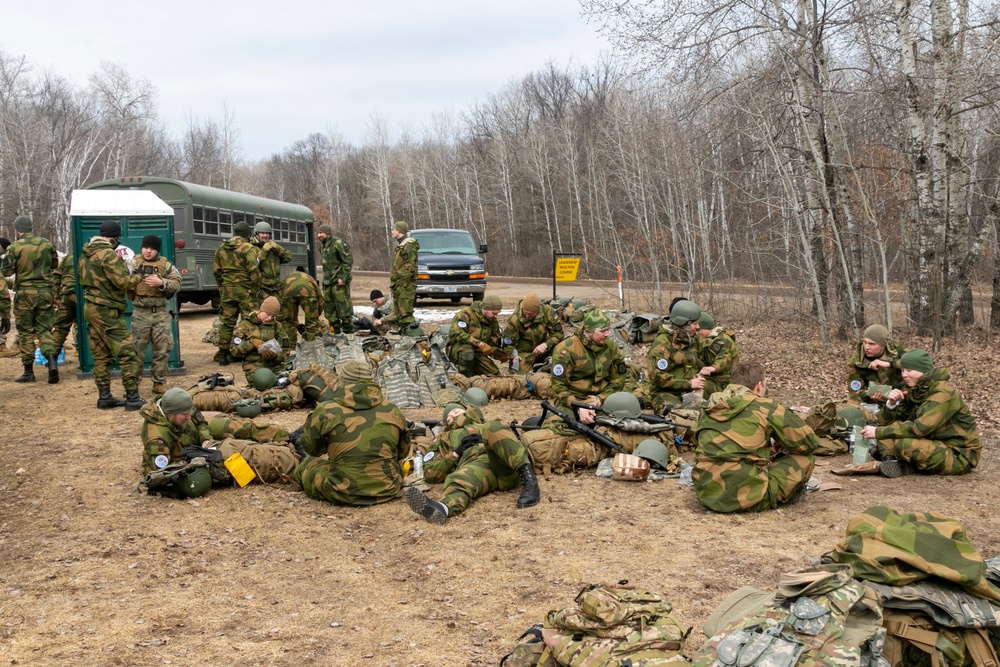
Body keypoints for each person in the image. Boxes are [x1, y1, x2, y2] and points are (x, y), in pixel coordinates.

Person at [693, 361, 819, 513]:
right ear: (759, 386)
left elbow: (703, 442)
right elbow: (809, 443)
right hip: (748, 498)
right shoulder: (766, 407)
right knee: (806, 458)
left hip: (708, 494)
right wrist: (781, 442)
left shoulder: (709, 406)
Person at [292, 359, 410, 506]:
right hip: (388, 488)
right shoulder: (392, 410)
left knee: (308, 464)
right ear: (371, 380)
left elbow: (313, 450)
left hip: (340, 491)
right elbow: (403, 452)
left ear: (343, 380)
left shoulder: (326, 409)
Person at [404, 404, 539, 524]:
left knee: (494, 425)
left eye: (456, 411)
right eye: (449, 416)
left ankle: (530, 482)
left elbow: (515, 445)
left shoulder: (486, 425)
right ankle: (443, 508)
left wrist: (488, 440)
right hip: (477, 467)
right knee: (462, 478)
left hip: (505, 463)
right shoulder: (440, 440)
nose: (453, 414)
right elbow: (430, 473)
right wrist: (456, 453)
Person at [861, 349, 980, 477]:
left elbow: (920, 428)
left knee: (903, 444)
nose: (904, 375)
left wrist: (878, 432)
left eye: (909, 370)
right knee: (886, 438)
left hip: (958, 454)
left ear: (923, 371)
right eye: (902, 370)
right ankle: (894, 461)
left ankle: (901, 462)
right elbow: (891, 422)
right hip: (933, 442)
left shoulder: (942, 392)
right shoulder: (916, 390)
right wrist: (891, 404)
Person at [78, 220, 148, 409]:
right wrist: (139, 275)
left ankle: (105, 397)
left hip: (91, 308)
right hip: (106, 310)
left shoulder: (86, 254)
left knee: (101, 354)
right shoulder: (107, 254)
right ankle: (132, 397)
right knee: (128, 352)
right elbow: (123, 282)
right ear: (116, 236)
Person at [0, 215, 58, 383]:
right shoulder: (47, 244)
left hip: (25, 293)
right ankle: (52, 360)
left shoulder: (15, 247)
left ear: (18, 230)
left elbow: (6, 272)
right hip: (45, 293)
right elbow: (54, 265)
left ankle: (28, 371)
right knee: (44, 329)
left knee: (26, 332)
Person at [549, 308, 628, 423]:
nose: (607, 334)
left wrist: (599, 399)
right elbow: (558, 386)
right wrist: (579, 406)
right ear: (590, 331)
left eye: (608, 330)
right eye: (602, 331)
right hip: (573, 400)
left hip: (602, 398)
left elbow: (619, 379)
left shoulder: (610, 347)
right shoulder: (566, 349)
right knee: (565, 425)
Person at [129, 235, 181, 395]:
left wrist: (162, 283)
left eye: (152, 248)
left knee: (162, 350)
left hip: (160, 314)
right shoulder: (132, 263)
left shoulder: (165, 265)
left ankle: (159, 383)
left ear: (157, 250)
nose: (148, 251)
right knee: (136, 350)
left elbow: (178, 283)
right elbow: (121, 281)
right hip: (140, 313)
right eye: (145, 248)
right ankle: (132, 385)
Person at [643, 299, 704, 413]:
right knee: (678, 416)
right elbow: (657, 377)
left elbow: (702, 361)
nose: (698, 327)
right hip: (667, 392)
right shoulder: (663, 344)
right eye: (695, 323)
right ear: (684, 324)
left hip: (691, 390)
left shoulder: (694, 340)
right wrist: (688, 383)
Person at [212, 220, 260, 366]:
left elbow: (216, 271)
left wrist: (222, 287)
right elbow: (254, 270)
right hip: (245, 290)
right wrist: (254, 288)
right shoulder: (248, 248)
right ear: (248, 234)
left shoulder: (222, 248)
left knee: (226, 322)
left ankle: (223, 354)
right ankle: (248, 351)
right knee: (250, 320)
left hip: (227, 289)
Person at [229, 296, 291, 384]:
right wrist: (251, 343)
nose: (269, 318)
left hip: (275, 366)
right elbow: (233, 351)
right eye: (268, 314)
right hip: (253, 366)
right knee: (263, 383)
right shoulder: (245, 325)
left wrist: (276, 356)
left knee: (283, 383)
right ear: (261, 310)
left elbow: (286, 352)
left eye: (273, 316)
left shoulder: (277, 327)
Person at [502, 292, 564, 374]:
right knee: (520, 379)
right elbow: (507, 344)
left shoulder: (548, 312)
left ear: (537, 311)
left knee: (563, 356)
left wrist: (546, 344)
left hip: (545, 350)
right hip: (524, 354)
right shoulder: (515, 320)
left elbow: (559, 334)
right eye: (525, 313)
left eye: (530, 314)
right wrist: (514, 356)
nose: (527, 316)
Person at [445, 294, 506, 376]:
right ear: (485, 309)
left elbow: (492, 343)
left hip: (478, 352)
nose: (495, 316)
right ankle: (466, 377)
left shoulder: (492, 321)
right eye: (494, 313)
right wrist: (479, 344)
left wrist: (499, 354)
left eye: (497, 313)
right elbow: (456, 334)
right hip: (458, 349)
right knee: (467, 351)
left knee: (495, 375)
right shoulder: (465, 314)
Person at [846, 324, 906, 403]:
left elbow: (919, 366)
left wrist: (890, 364)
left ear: (883, 345)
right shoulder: (857, 361)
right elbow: (854, 393)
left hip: (900, 399)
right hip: (872, 404)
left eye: (872, 344)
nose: (866, 347)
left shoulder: (898, 352)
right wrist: (868, 395)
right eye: (864, 342)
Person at [316, 224, 353, 334]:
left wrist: (343, 278)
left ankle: (348, 332)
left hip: (339, 282)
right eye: (318, 233)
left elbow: (348, 261)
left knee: (344, 308)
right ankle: (335, 331)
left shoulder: (338, 243)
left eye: (321, 233)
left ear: (327, 233)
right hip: (328, 282)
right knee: (329, 309)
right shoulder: (322, 246)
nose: (319, 235)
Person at [278, 267, 324, 348]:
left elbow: (280, 296)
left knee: (290, 323)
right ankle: (311, 345)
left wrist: (284, 315)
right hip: (306, 292)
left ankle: (290, 347)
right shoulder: (309, 278)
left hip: (287, 292)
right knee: (311, 323)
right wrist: (316, 315)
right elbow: (320, 299)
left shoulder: (287, 277)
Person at [696, 311, 739, 396]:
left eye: (698, 330)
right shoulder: (705, 338)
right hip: (712, 377)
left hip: (724, 380)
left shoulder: (721, 340)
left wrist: (713, 368)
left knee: (699, 387)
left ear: (707, 328)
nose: (696, 332)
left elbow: (723, 358)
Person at [390, 220, 419, 332]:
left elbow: (410, 266)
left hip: (405, 286)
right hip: (399, 285)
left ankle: (413, 337)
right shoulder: (401, 245)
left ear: (399, 231)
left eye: (394, 230)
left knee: (406, 315)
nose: (392, 232)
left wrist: (403, 284)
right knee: (399, 315)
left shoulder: (409, 245)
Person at [252, 221, 292, 299]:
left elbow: (288, 257)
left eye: (267, 234)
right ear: (256, 234)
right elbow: (254, 263)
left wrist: (277, 247)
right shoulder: (251, 248)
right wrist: (264, 250)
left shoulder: (272, 247)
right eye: (262, 233)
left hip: (275, 288)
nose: (265, 236)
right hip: (261, 289)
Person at [51, 252, 76, 356]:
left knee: (60, 328)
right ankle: (82, 353)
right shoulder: (96, 256)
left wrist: (56, 295)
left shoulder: (69, 257)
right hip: (84, 295)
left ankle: (52, 357)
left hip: (66, 295)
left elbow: (56, 277)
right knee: (87, 326)